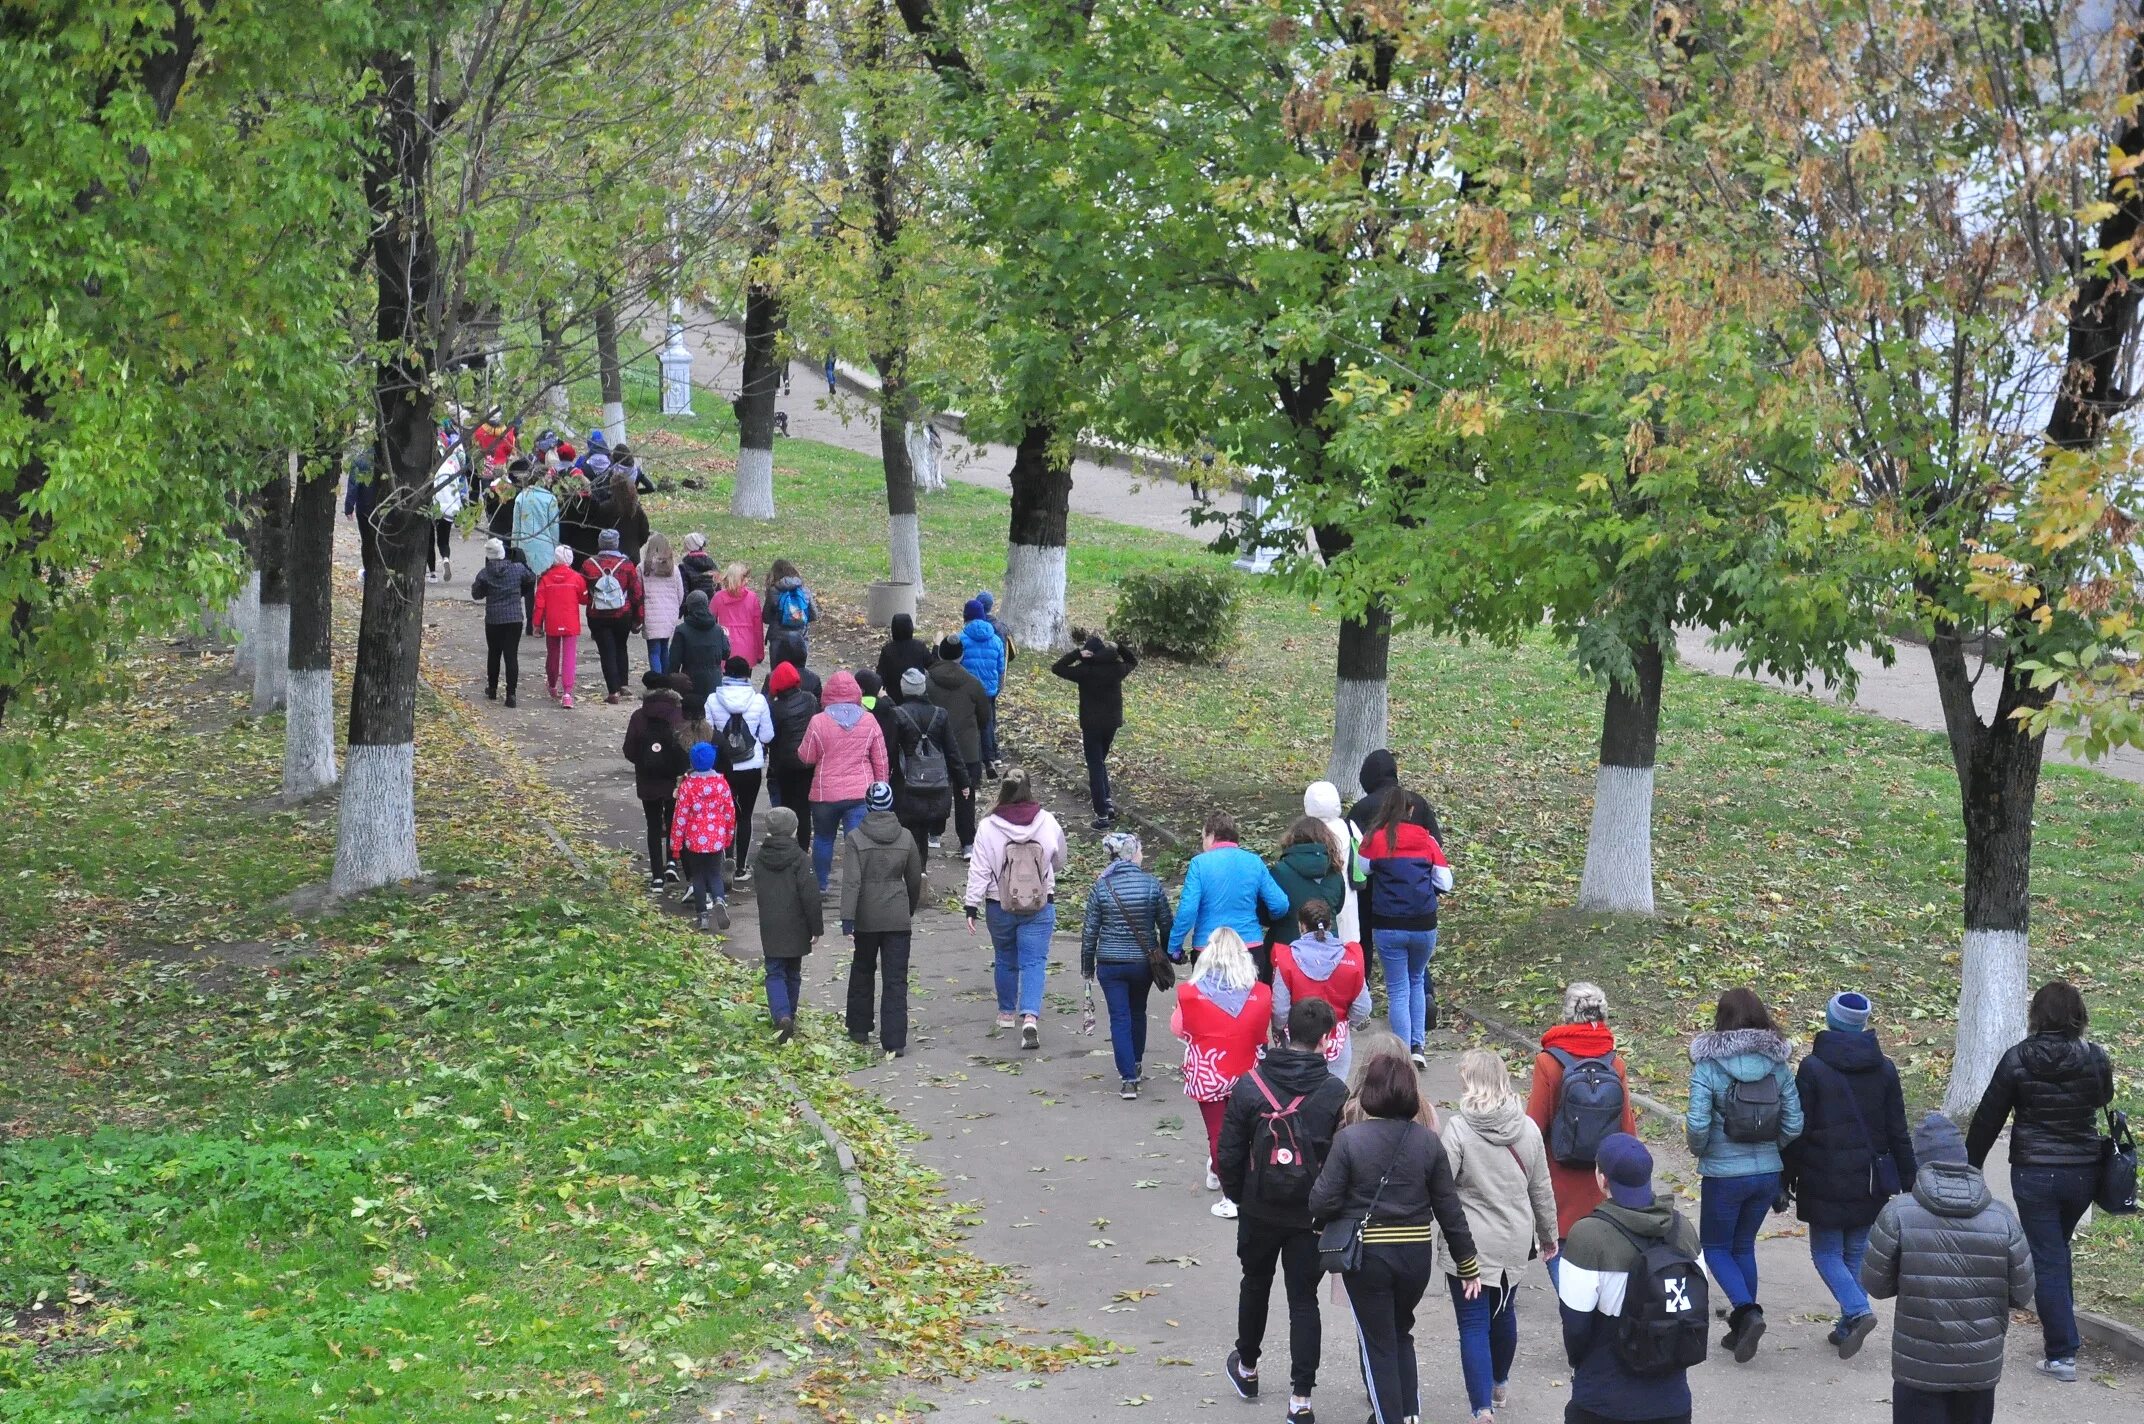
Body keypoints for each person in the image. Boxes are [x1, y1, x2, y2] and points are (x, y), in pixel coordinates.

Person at [1308, 1053, 1480, 1424]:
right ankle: (1410, 1413)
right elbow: (1450, 1211)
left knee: (1378, 1346)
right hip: (1415, 1258)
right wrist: (1468, 1267)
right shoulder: (1428, 1143)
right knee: (1401, 1331)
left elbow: (1321, 1200)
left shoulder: (1350, 1140)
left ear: (1368, 1092)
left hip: (1368, 1258)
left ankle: (1391, 1418)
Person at [1964, 979, 2115, 1383]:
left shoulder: (2018, 1058)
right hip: (2083, 1171)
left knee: (2047, 1256)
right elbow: (2103, 1099)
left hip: (2033, 1172)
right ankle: (2065, 1334)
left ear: (2036, 1015)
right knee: (2055, 1250)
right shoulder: (2094, 1057)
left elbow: (1988, 1116)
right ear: (2077, 1015)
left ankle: (2062, 1352)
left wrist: (1970, 1165)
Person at [1215, 997, 1349, 1424]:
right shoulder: (1335, 1093)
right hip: (1309, 1215)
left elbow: (1228, 1153)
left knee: (1254, 1283)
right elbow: (1341, 1161)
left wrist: (1241, 1197)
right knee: (1303, 1300)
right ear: (1327, 1041)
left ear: (1285, 1032)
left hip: (1258, 1208)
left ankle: (1248, 1366)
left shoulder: (1250, 1084)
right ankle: (1301, 1398)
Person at [1864, 1113, 2035, 1424]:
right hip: (1979, 1366)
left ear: (1920, 1162)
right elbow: (2022, 1292)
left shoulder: (1897, 1214)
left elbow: (1875, 1284)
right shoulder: (2002, 1218)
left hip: (1918, 1365)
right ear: (1963, 1157)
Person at [1782, 990, 1917, 1359]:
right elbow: (1898, 1130)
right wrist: (1911, 1179)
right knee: (1855, 1251)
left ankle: (1857, 1311)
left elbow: (1799, 1129)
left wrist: (1785, 1177)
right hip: (1870, 1179)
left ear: (1831, 1020)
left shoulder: (1812, 1067)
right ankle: (1846, 1324)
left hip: (1822, 1175)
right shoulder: (1885, 1068)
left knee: (1825, 1253)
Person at [1440, 1049, 1559, 1423]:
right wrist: (1549, 1235)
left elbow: (1442, 1186)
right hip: (1514, 1239)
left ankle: (1481, 1410)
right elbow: (1541, 1188)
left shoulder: (1459, 1129)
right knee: (1503, 1311)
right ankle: (1500, 1382)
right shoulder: (1527, 1128)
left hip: (1471, 1243)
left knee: (1473, 1323)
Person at [1685, 986, 1802, 1362]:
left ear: (1721, 1019)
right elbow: (1794, 1122)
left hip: (1724, 1174)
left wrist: (1703, 1151)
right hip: (1768, 1173)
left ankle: (1748, 1314)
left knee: (1717, 1248)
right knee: (1742, 1246)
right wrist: (1773, 1148)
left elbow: (1698, 1123)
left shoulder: (1708, 1065)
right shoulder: (1778, 1066)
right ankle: (1741, 1330)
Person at [1555, 1133, 1704, 1424]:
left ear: (1602, 1179)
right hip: (1672, 1401)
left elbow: (1575, 1325)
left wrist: (1581, 1365)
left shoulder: (1588, 1236)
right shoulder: (1682, 1229)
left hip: (1602, 1401)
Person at [1526, 982, 1639, 1264]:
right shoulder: (1615, 1063)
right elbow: (1627, 1129)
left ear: (1566, 1015)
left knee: (1561, 1253)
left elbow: (1534, 1126)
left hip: (1560, 1179)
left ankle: (1573, 1305)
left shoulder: (1548, 1062)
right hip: (1601, 1182)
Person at [961, 769, 1069, 1049]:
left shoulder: (988, 826)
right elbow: (1059, 859)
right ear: (1030, 789)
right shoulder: (1047, 822)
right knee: (1034, 961)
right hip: (1039, 903)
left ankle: (1006, 1013)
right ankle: (1030, 1017)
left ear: (1003, 790)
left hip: (1000, 904)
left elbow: (980, 870)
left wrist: (971, 905)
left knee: (1005, 957)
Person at [1173, 927, 1273, 1220]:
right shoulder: (1261, 993)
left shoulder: (1189, 994)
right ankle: (1233, 1176)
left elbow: (1179, 1029)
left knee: (1217, 1134)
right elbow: (1262, 1034)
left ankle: (1231, 1194)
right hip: (1249, 1073)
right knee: (1248, 1132)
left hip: (1208, 1071)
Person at [1356, 787, 1453, 1060]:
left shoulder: (1374, 838)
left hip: (1387, 923)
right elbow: (1446, 882)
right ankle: (1418, 1048)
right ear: (1411, 811)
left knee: (1397, 988)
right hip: (1423, 923)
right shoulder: (1427, 839)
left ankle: (1401, 1054)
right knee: (1417, 979)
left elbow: (1363, 869)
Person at [1079, 831, 1172, 1098]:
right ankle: (1137, 1062)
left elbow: (1089, 932)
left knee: (1119, 1016)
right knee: (1137, 1011)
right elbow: (1166, 923)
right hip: (1143, 963)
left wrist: (1087, 966)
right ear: (1131, 854)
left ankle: (1128, 1078)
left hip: (1109, 962)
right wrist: (1165, 953)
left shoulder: (1101, 887)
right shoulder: (1151, 884)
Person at [841, 782, 925, 1058]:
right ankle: (894, 1040)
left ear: (867, 806)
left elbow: (852, 882)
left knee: (863, 970)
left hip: (866, 917)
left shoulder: (855, 838)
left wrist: (847, 918)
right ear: (890, 804)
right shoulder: (906, 837)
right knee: (895, 979)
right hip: (897, 917)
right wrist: (908, 907)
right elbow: (914, 879)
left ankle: (859, 1027)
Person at [797, 670, 889, 893]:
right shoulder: (869, 720)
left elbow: (806, 756)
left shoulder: (818, 721)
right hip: (860, 793)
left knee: (823, 839)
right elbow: (881, 760)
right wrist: (882, 787)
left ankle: (820, 885)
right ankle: (857, 887)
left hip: (824, 794)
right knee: (857, 842)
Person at [1166, 811, 1290, 968]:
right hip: (1248, 946)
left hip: (1209, 948)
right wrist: (1262, 920)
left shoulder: (1199, 864)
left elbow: (1188, 910)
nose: (1203, 843)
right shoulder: (1254, 862)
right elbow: (1280, 904)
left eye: (1203, 838)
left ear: (1211, 835)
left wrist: (1174, 947)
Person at [1269, 900, 1371, 1080]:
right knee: (1332, 1098)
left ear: (1301, 926)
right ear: (1330, 925)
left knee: (1296, 1099)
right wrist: (1347, 1025)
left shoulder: (1285, 960)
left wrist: (1278, 1032)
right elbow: (1363, 1007)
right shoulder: (1352, 958)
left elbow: (1280, 1010)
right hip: (1335, 1040)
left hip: (1297, 1041)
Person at [1049, 631, 1138, 829]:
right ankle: (1107, 801)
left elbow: (1057, 667)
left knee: (1095, 765)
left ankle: (1102, 815)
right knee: (1100, 761)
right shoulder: (1116, 668)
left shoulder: (1084, 671)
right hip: (1112, 723)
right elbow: (1133, 660)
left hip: (1091, 724)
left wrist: (1077, 654)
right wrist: (1119, 647)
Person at [755, 806, 820, 1043]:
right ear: (794, 830)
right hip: (797, 924)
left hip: (770, 924)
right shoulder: (801, 858)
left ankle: (781, 1015)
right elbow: (810, 895)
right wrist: (816, 928)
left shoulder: (761, 858)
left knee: (774, 972)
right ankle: (790, 1013)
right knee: (793, 972)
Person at [707, 656, 775, 880]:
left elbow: (707, 735)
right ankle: (741, 867)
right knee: (744, 816)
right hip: (751, 765)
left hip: (722, 767)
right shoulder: (758, 701)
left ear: (725, 673)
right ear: (748, 675)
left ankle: (725, 857)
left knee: (724, 815)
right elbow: (767, 735)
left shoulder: (712, 699)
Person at [889, 668, 967, 861]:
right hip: (934, 783)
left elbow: (890, 750)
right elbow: (952, 750)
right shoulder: (940, 714)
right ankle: (920, 872)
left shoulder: (898, 714)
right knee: (923, 831)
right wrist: (963, 780)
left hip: (906, 782)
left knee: (906, 829)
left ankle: (906, 872)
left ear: (904, 689)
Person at [622, 670, 688, 889]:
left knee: (652, 825)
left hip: (648, 778)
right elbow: (684, 745)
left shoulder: (638, 716)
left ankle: (657, 876)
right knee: (672, 821)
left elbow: (629, 749)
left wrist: (643, 762)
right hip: (672, 779)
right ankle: (672, 860)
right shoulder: (678, 714)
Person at [926, 635, 991, 856]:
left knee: (936, 791)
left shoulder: (928, 681)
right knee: (966, 795)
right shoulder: (973, 683)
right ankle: (967, 843)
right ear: (961, 656)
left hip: (936, 747)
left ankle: (934, 833)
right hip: (967, 749)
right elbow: (984, 717)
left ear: (941, 654)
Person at [670, 741, 737, 931]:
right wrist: (728, 836)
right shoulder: (721, 784)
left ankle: (702, 916)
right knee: (715, 874)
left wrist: (675, 844)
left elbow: (680, 816)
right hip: (716, 838)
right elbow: (729, 812)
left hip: (694, 840)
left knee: (698, 876)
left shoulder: (687, 786)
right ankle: (719, 899)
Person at [1264, 817, 1348, 966]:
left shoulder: (1280, 871)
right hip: (1329, 950)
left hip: (1289, 949)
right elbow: (1338, 906)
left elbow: (1266, 913)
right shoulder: (1334, 872)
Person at [581, 530, 644, 704]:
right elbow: (636, 593)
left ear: (600, 543)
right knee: (621, 647)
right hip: (622, 613)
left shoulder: (589, 564)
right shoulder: (627, 565)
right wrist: (639, 618)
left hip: (597, 615)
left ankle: (613, 691)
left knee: (606, 651)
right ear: (617, 543)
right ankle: (623, 684)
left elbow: (584, 591)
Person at [469, 537, 534, 705]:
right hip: (514, 618)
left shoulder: (485, 574)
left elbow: (476, 594)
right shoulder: (518, 569)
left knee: (494, 653)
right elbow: (531, 579)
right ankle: (511, 694)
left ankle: (492, 689)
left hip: (493, 619)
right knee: (511, 655)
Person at [1302, 780, 1364, 943]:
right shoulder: (1349, 826)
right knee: (1348, 939)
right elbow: (1361, 849)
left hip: (1318, 895)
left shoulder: (1307, 832)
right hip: (1348, 892)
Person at [765, 660, 820, 839]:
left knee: (787, 806)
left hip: (785, 765)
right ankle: (803, 848)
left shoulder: (775, 707)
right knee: (804, 809)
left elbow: (772, 738)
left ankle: (785, 843)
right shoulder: (810, 699)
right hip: (808, 762)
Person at [532, 544, 588, 708]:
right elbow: (584, 598)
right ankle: (568, 693)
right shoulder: (576, 578)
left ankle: (552, 684)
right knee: (569, 657)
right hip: (570, 621)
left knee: (553, 654)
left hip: (552, 622)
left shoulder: (546, 579)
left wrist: (536, 624)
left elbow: (539, 604)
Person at [1348, 748, 1442, 841]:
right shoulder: (1418, 802)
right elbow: (1437, 842)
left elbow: (1348, 843)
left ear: (1366, 776)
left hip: (1374, 855)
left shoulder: (1363, 807)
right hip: (1418, 855)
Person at [509, 473, 560, 635]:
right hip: (545, 546)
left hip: (525, 545)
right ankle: (541, 623)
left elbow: (516, 525)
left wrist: (514, 546)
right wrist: (556, 546)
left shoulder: (521, 497)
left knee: (529, 587)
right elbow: (554, 526)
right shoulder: (550, 498)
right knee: (545, 586)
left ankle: (530, 623)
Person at [959, 598, 1007, 769]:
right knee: (987, 723)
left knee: (969, 724)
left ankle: (971, 759)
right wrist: (998, 685)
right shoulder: (995, 640)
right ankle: (990, 759)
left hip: (967, 690)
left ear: (966, 617)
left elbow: (957, 663)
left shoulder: (961, 638)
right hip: (988, 690)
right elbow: (1001, 666)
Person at [670, 589, 731, 719]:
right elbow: (726, 653)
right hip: (714, 681)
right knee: (712, 719)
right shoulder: (718, 630)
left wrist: (672, 683)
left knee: (690, 719)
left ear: (689, 607)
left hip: (689, 682)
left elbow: (674, 662)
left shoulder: (682, 631)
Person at [639, 533, 684, 675]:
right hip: (668, 614)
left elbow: (638, 592)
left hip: (651, 613)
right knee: (665, 648)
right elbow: (680, 592)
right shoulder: (674, 569)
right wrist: (675, 608)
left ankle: (657, 682)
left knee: (653, 650)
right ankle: (666, 679)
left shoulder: (642, 568)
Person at [714, 562, 765, 667]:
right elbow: (758, 628)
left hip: (725, 645)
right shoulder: (752, 598)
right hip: (747, 647)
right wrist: (760, 652)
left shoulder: (718, 598)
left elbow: (709, 622)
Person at [764, 558, 819, 650]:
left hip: (778, 640)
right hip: (800, 638)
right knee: (799, 664)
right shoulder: (804, 590)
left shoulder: (773, 591)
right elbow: (814, 615)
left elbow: (766, 618)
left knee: (779, 665)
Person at [876, 613, 935, 698]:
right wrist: (936, 648)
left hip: (894, 697)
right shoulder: (919, 646)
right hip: (917, 693)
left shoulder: (887, 650)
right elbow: (932, 665)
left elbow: (881, 676)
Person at [601, 474, 649, 562]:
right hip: (632, 555)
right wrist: (635, 545)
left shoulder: (605, 508)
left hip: (610, 557)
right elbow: (644, 534)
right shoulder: (637, 509)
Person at [769, 629, 822, 700]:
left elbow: (764, 706)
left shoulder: (771, 677)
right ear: (803, 651)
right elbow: (819, 707)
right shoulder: (814, 679)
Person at [680, 533, 720, 601]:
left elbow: (684, 592)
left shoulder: (683, 567)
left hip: (693, 606)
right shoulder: (712, 564)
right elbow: (718, 588)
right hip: (712, 605)